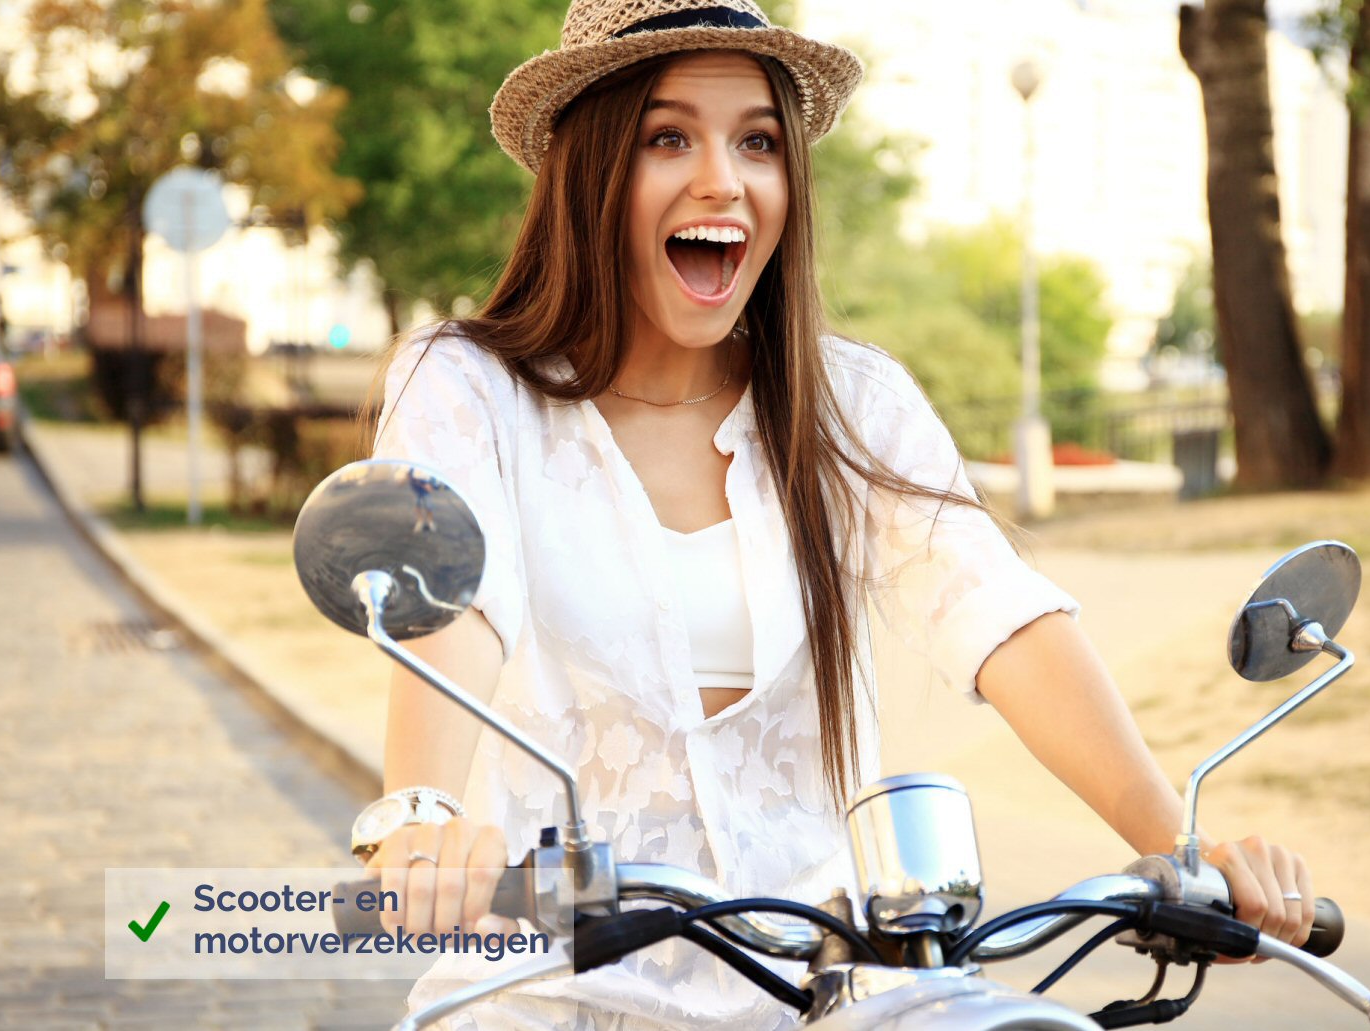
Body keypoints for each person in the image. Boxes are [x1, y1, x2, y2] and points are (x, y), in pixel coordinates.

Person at [351, 2, 1316, 1028]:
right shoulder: (467, 387)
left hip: (810, 992)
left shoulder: (852, 403)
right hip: (539, 988)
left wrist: (1181, 850)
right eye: (667, 136)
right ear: (590, 168)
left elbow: (995, 609)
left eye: (758, 141)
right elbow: (452, 606)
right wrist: (423, 815)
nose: (724, 178)